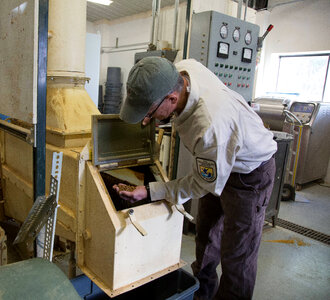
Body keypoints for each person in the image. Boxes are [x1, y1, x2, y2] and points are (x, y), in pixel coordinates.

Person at [113, 57, 277, 300]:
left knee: (237, 256)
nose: (147, 120)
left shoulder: (209, 126)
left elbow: (201, 183)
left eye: (149, 113)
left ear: (172, 99)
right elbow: (206, 176)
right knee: (207, 234)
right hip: (220, 157)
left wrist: (150, 191)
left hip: (249, 176)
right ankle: (202, 294)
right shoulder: (180, 70)